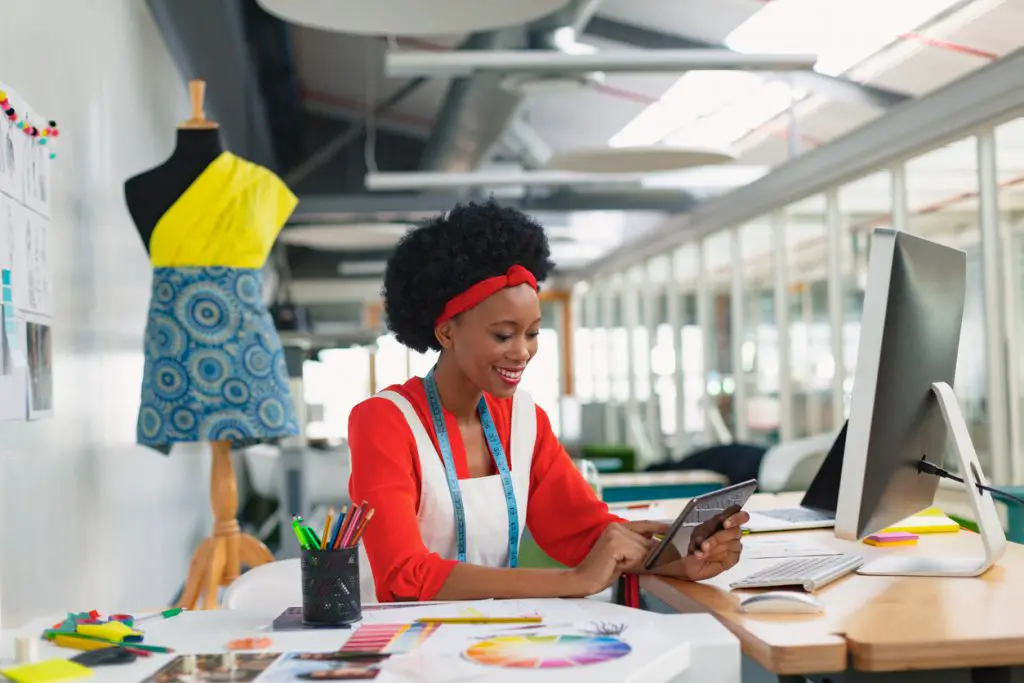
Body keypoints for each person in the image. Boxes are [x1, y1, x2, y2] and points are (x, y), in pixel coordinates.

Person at [348, 200, 748, 603]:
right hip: (399, 646)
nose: (522, 352)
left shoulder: (524, 420)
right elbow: (402, 575)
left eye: (533, 333)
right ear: (447, 333)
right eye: (503, 335)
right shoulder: (384, 421)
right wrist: (572, 582)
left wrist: (683, 557)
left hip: (485, 636)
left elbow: (587, 534)